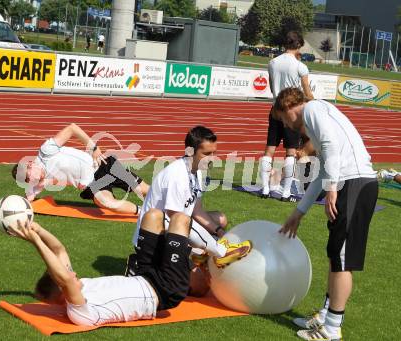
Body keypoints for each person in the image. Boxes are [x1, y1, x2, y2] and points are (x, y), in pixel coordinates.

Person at [273, 88, 378, 341]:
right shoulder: (315, 118)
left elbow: (331, 148)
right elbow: (322, 172)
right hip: (349, 183)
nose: (285, 125)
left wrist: (333, 187)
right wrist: (299, 212)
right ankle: (325, 316)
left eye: (283, 118)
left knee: (342, 258)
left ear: (289, 107)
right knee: (334, 253)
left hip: (354, 183)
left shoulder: (313, 109)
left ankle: (332, 327)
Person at [8, 208, 194, 326]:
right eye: (70, 275)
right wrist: (35, 242)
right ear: (62, 292)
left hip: (143, 275)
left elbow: (59, 251)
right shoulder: (79, 313)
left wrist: (38, 231)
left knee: (152, 215)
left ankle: (181, 249)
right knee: (180, 219)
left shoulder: (77, 284)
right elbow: (64, 279)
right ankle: (205, 250)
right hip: (164, 290)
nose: (75, 273)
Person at [130, 126, 252, 270]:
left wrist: (220, 232)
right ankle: (218, 252)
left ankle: (200, 253)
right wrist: (220, 249)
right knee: (200, 286)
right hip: (154, 239)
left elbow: (197, 210)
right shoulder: (176, 175)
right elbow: (177, 220)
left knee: (220, 218)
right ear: (190, 151)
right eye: (206, 153)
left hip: (175, 228)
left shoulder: (197, 171)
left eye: (214, 153)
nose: (212, 158)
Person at [12, 123, 149, 214]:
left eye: (30, 176)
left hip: (101, 165)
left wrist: (93, 147)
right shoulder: (35, 181)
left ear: (30, 164)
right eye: (28, 180)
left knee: (143, 190)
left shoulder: (46, 151)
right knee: (106, 202)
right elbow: (28, 197)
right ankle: (143, 212)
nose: (33, 180)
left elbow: (72, 128)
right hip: (94, 184)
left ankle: (168, 204)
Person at [259, 31, 314, 201]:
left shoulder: (273, 62)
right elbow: (307, 93)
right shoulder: (300, 66)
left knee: (269, 150)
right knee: (290, 152)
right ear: (299, 45)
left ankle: (265, 189)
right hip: (292, 113)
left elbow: (271, 87)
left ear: (284, 44)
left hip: (276, 109)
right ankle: (285, 192)